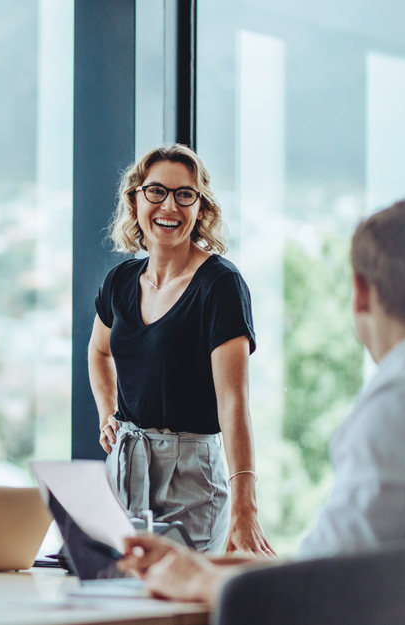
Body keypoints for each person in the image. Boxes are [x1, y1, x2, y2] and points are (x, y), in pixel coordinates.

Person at [119, 200, 405, 602]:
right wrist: (205, 565)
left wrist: (194, 578)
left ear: (359, 292)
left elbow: (320, 588)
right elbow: (337, 561)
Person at [88, 144, 272, 554]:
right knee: (119, 602)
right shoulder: (119, 282)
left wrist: (246, 506)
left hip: (191, 476)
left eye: (184, 194)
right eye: (156, 191)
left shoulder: (220, 285)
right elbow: (99, 352)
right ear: (135, 199)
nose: (168, 205)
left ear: (201, 207)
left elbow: (234, 403)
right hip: (124, 467)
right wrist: (107, 414)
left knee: (181, 610)